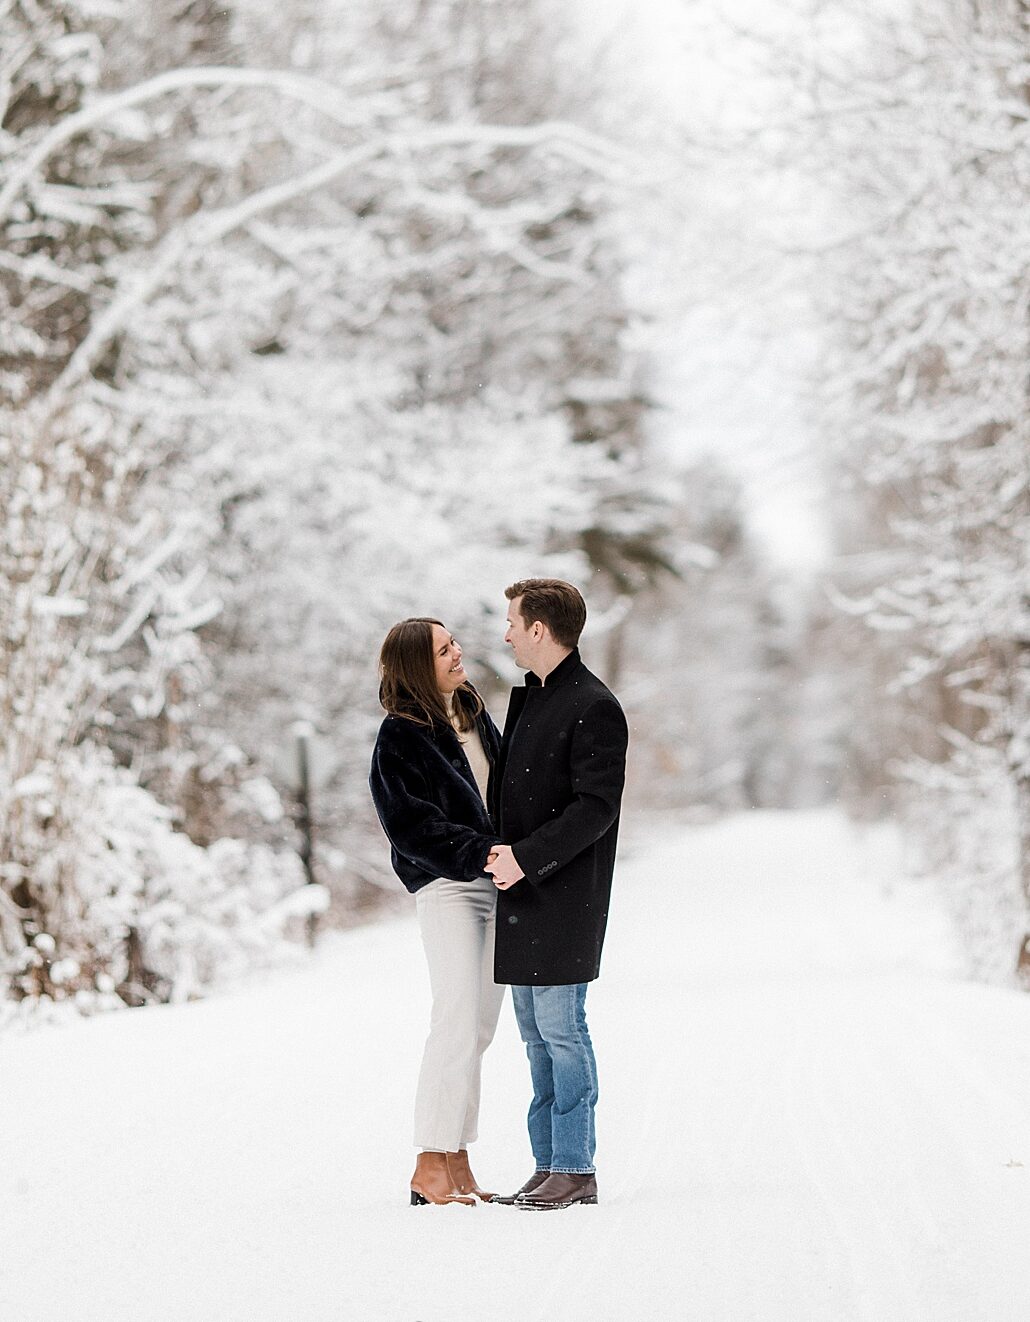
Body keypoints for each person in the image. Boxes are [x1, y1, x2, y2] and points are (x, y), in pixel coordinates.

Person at [485, 579, 628, 1210]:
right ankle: (548, 1165)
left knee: (562, 1030)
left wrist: (527, 858)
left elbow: (595, 808)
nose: (506, 633)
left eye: (513, 622)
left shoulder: (593, 704)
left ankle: (576, 1166)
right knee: (534, 1035)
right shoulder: (532, 701)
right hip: (521, 892)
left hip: (564, 892)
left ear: (540, 629)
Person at [369, 617, 503, 1207]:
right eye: (443, 649)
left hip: (499, 884)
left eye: (453, 644)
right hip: (448, 886)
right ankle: (428, 1162)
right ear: (416, 666)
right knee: (454, 1017)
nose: (457, 653)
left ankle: (458, 1158)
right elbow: (409, 826)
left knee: (479, 1027)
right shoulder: (400, 735)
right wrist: (480, 852)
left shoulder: (472, 713)